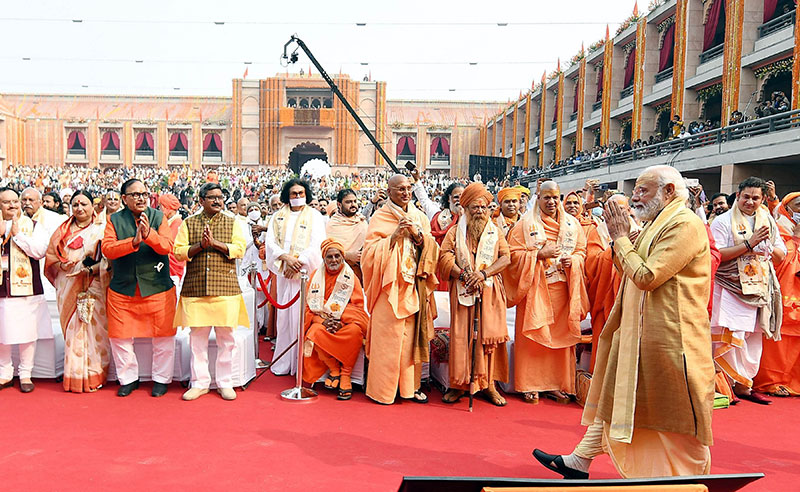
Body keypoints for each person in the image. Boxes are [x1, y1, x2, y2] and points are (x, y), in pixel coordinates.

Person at [533, 165, 715, 479]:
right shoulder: (657, 223)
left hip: (672, 337)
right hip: (640, 332)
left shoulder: (685, 224)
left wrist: (620, 240)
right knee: (619, 398)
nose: (635, 197)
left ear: (668, 191)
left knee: (675, 413)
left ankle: (694, 475)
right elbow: (629, 266)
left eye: (643, 190)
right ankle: (579, 460)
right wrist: (623, 241)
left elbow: (647, 276)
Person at [504, 180, 588, 404]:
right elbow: (512, 256)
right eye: (546, 197)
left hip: (562, 289)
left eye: (555, 197)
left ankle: (557, 383)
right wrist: (539, 255)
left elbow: (581, 251)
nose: (551, 202)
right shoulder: (524, 225)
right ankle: (529, 384)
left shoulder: (572, 224)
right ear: (538, 198)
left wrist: (575, 260)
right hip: (534, 289)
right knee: (533, 337)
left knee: (560, 338)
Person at [362, 174, 439, 404]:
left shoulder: (419, 216)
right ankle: (382, 390)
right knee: (388, 339)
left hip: (414, 285)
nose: (405, 193)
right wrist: (393, 238)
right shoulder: (380, 217)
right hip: (389, 288)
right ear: (389, 192)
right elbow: (368, 254)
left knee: (409, 339)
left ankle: (409, 388)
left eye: (408, 188)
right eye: (400, 189)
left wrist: (417, 236)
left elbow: (432, 247)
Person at [710, 177, 785, 405]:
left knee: (752, 337)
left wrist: (769, 249)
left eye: (755, 198)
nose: (750, 202)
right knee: (730, 336)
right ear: (738, 195)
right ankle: (724, 386)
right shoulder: (722, 221)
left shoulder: (768, 222)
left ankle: (744, 386)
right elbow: (718, 254)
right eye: (746, 197)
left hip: (759, 287)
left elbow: (781, 252)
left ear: (762, 199)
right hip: (730, 287)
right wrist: (750, 244)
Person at [174, 182, 249, 401]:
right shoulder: (188, 223)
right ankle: (200, 383)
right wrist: (199, 246)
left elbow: (240, 249)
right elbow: (178, 252)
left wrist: (216, 244)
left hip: (225, 288)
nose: (217, 201)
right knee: (197, 339)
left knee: (227, 338)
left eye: (220, 197)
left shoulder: (232, 222)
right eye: (212, 197)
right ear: (200, 200)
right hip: (196, 287)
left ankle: (225, 382)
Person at [102, 179, 178, 398]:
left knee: (164, 337)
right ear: (124, 199)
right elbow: (108, 249)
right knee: (120, 338)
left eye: (144, 193)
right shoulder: (114, 220)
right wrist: (133, 242)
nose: (141, 198)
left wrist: (148, 235)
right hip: (123, 290)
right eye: (134, 195)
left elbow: (167, 246)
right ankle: (128, 379)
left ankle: (161, 379)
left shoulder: (158, 217)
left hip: (157, 287)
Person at [438, 182, 510, 406]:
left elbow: (505, 258)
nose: (479, 212)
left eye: (483, 208)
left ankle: (488, 384)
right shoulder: (454, 232)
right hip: (463, 290)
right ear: (465, 210)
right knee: (462, 337)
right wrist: (462, 275)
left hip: (488, 291)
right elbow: (444, 258)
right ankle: (459, 385)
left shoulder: (495, 231)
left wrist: (484, 273)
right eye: (474, 208)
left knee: (487, 338)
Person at [44, 190, 110, 393]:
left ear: (93, 206)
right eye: (76, 205)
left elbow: (108, 258)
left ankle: (94, 373)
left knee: (94, 330)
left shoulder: (102, 228)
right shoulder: (63, 229)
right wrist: (63, 266)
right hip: (67, 283)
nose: (80, 208)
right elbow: (51, 255)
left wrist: (89, 269)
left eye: (84, 204)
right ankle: (74, 376)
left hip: (92, 283)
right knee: (73, 330)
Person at [263, 179, 325, 376]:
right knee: (284, 320)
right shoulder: (277, 217)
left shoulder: (315, 216)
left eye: (300, 193)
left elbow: (318, 243)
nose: (298, 197)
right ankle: (283, 362)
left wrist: (299, 262)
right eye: (293, 194)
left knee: (302, 318)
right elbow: (270, 242)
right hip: (284, 273)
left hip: (305, 275)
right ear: (286, 196)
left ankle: (302, 365)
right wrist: (286, 258)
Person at [302, 238, 369, 400]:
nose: (334, 260)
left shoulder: (350, 277)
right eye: (330, 257)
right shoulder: (314, 277)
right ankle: (334, 370)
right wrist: (323, 321)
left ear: (342, 257)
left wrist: (341, 319)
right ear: (324, 259)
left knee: (354, 331)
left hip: (345, 323)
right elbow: (309, 307)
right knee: (314, 332)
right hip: (323, 322)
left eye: (337, 256)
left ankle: (346, 374)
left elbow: (358, 308)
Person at [0, 187, 50, 393]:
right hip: (3, 287)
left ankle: (26, 373)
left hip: (27, 288)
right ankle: (4, 373)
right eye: (6, 202)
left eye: (15, 201)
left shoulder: (34, 226)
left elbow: (39, 251)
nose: (12, 205)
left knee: (28, 333)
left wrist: (18, 235)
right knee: (2, 332)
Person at [583, 194, 636, 372]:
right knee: (604, 341)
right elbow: (591, 262)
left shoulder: (639, 230)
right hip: (605, 296)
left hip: (631, 298)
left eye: (620, 210)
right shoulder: (597, 232)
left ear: (629, 211)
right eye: (611, 211)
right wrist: (614, 250)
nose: (616, 215)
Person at [754, 191, 800, 396]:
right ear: (787, 209)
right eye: (799, 206)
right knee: (778, 342)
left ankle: (793, 381)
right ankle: (770, 381)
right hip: (782, 293)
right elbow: (775, 258)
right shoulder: (778, 229)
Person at [326, 189, 368, 281]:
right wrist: (348, 255)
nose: (353, 205)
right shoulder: (333, 224)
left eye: (354, 201)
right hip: (342, 271)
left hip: (364, 270)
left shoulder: (361, 220)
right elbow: (327, 249)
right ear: (339, 204)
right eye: (348, 202)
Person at [158, 193, 185, 285]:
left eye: (160, 207)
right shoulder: (170, 221)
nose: (159, 210)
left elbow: (167, 246)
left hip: (173, 269)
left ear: (166, 208)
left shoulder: (177, 223)